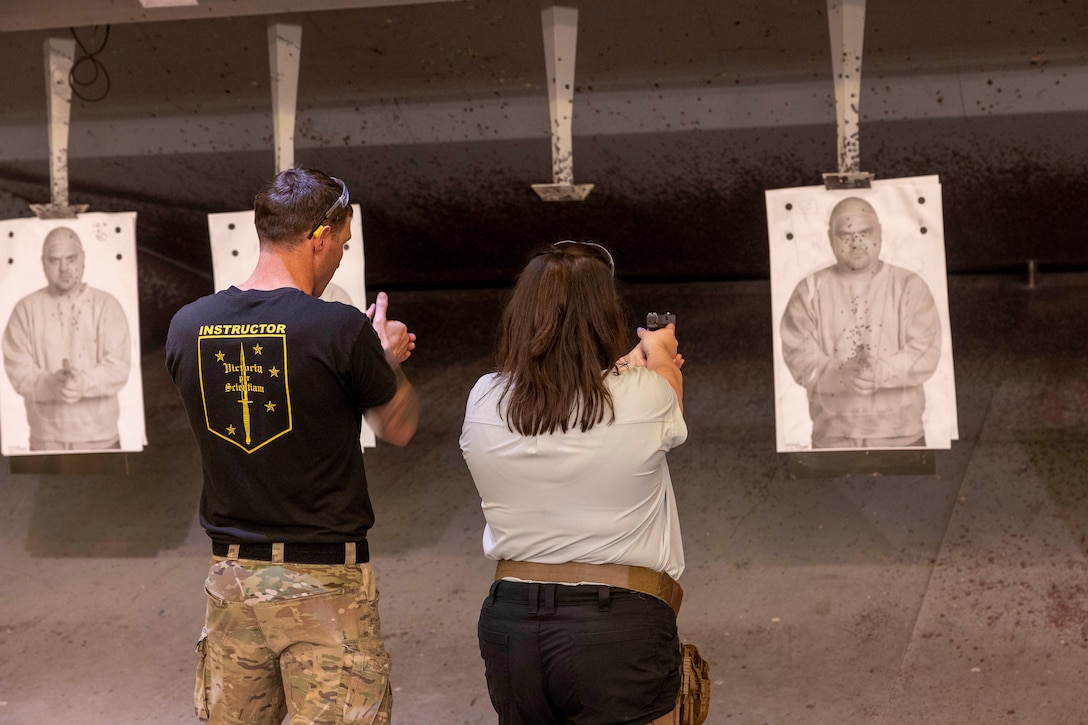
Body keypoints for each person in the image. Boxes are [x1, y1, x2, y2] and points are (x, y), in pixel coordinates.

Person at [165, 167, 419, 725]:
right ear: (320, 237)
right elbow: (399, 425)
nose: (337, 259)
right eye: (342, 245)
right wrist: (383, 359)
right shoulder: (341, 329)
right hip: (326, 582)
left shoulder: (187, 326)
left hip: (232, 581)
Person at [460, 240, 688, 725]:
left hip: (512, 626)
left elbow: (570, 397)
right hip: (617, 628)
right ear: (604, 314)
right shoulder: (647, 396)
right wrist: (661, 351)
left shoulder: (484, 397)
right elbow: (663, 395)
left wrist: (630, 364)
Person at [779, 196, 942, 449]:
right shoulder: (809, 291)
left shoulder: (910, 286)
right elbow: (798, 354)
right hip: (833, 437)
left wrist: (884, 371)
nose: (856, 243)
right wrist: (839, 375)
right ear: (830, 238)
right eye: (846, 235)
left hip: (902, 436)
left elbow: (926, 350)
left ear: (880, 232)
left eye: (865, 232)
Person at [2, 225, 131, 451]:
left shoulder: (107, 307)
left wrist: (83, 382)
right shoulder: (25, 310)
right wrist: (49, 384)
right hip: (45, 439)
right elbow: (17, 368)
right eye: (55, 260)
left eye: (70, 259)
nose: (64, 269)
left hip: (101, 438)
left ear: (83, 260)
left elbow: (118, 366)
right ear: (43, 263)